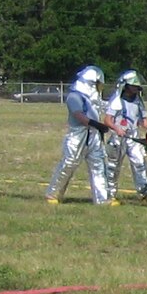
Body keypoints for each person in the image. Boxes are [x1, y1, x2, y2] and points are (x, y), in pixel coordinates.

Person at [45, 64, 116, 205]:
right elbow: (79, 115)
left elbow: (104, 107)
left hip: (93, 135)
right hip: (78, 135)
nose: (98, 87)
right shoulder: (74, 96)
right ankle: (53, 194)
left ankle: (103, 199)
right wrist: (96, 124)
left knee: (98, 165)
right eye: (97, 84)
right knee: (69, 163)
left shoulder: (93, 99)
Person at [105, 68, 147, 199]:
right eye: (134, 86)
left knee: (140, 162)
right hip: (118, 137)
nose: (137, 89)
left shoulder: (138, 100)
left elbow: (144, 121)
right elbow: (107, 120)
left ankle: (145, 193)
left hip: (134, 137)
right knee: (113, 166)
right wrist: (117, 129)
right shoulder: (117, 100)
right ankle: (110, 194)